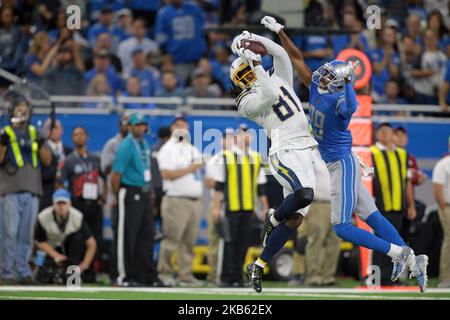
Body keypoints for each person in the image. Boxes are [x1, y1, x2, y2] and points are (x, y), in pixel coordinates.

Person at [261, 15, 428, 292]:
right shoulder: (317, 86)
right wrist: (280, 32)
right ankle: (413, 257)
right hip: (339, 161)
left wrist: (350, 82)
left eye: (330, 76)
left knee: (341, 227)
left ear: (340, 86)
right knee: (373, 216)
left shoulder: (341, 107)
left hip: (341, 164)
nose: (322, 76)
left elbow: (349, 103)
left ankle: (399, 253)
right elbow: (298, 59)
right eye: (326, 72)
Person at [229, 30, 317, 293]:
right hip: (283, 151)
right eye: (242, 75)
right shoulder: (245, 102)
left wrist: (259, 39)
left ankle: (258, 264)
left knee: (296, 220)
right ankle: (273, 218)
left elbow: (280, 53)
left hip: (305, 149)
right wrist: (255, 65)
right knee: (304, 195)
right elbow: (269, 96)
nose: (247, 78)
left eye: (247, 70)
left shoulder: (278, 76)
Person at [0, 93, 52, 285]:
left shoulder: (34, 133)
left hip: (32, 190)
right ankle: (6, 273)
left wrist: (40, 144)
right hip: (10, 189)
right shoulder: (5, 132)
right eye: (19, 108)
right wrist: (3, 144)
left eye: (25, 109)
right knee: (9, 233)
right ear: (12, 111)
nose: (22, 111)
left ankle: (22, 272)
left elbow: (47, 161)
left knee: (25, 235)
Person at [212, 127, 269, 287]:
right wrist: (216, 207)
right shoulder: (227, 156)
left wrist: (265, 207)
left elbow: (261, 186)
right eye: (242, 133)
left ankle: (238, 276)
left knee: (244, 244)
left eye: (248, 133)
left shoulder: (256, 157)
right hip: (231, 207)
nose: (246, 136)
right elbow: (219, 185)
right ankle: (226, 277)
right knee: (230, 243)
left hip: (249, 208)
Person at [111, 113, 162, 287]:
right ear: (131, 127)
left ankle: (145, 275)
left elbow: (146, 171)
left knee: (146, 236)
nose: (141, 127)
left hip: (145, 192)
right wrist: (117, 198)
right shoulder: (126, 145)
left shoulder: (145, 145)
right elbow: (116, 174)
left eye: (143, 124)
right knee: (128, 236)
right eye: (137, 124)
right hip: (130, 192)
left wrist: (151, 195)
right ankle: (124, 275)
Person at [156, 115, 204, 286]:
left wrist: (195, 167)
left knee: (189, 241)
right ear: (172, 128)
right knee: (171, 239)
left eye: (185, 125)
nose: (182, 128)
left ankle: (186, 275)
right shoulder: (167, 149)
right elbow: (166, 174)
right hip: (176, 199)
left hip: (194, 201)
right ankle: (165, 273)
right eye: (178, 125)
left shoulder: (192, 149)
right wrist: (191, 168)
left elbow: (201, 166)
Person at [371, 123, 417, 286]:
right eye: (385, 132)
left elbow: (407, 182)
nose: (389, 136)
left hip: (398, 206)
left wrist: (411, 205)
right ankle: (375, 278)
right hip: (378, 207)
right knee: (378, 244)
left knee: (395, 244)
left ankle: (391, 278)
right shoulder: (372, 153)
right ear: (379, 135)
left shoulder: (402, 155)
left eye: (391, 133)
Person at [57, 127, 105, 252]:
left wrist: (103, 199)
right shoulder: (68, 161)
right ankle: (77, 269)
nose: (79, 137)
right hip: (78, 203)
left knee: (96, 237)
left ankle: (92, 270)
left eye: (82, 134)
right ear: (72, 138)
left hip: (95, 204)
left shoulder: (95, 159)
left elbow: (105, 179)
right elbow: (60, 183)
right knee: (78, 237)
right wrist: (67, 203)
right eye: (75, 135)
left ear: (87, 137)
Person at [34, 189, 97, 284]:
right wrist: (56, 255)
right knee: (43, 275)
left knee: (78, 237)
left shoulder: (77, 217)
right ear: (53, 204)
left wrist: (84, 264)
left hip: (70, 252)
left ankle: (72, 273)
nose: (61, 207)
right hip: (51, 250)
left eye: (64, 203)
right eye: (58, 203)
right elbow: (39, 241)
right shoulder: (43, 217)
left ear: (69, 204)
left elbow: (91, 243)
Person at [303, 148, 341, 287]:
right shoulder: (311, 156)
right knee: (316, 239)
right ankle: (314, 276)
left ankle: (328, 276)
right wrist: (304, 206)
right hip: (317, 203)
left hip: (336, 203)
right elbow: (304, 181)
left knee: (334, 240)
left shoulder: (335, 155)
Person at [204, 128, 235, 284]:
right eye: (225, 138)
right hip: (217, 202)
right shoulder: (214, 159)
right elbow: (209, 182)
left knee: (234, 239)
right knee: (214, 239)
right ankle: (213, 275)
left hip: (234, 204)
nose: (227, 141)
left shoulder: (240, 159)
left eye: (230, 138)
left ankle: (229, 274)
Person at [155, 0, 207, 81]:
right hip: (178, 62)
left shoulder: (194, 8)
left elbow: (203, 32)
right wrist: (166, 55)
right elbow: (161, 40)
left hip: (198, 60)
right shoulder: (164, 13)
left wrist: (204, 56)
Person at [39, 119, 73, 211]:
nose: (53, 130)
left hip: (68, 197)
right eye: (49, 128)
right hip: (46, 197)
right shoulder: (39, 151)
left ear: (62, 130)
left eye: (56, 128)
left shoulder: (70, 152)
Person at [432, 137, 450, 288]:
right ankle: (446, 278)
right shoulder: (443, 164)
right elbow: (437, 188)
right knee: (449, 241)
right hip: (448, 207)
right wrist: (443, 208)